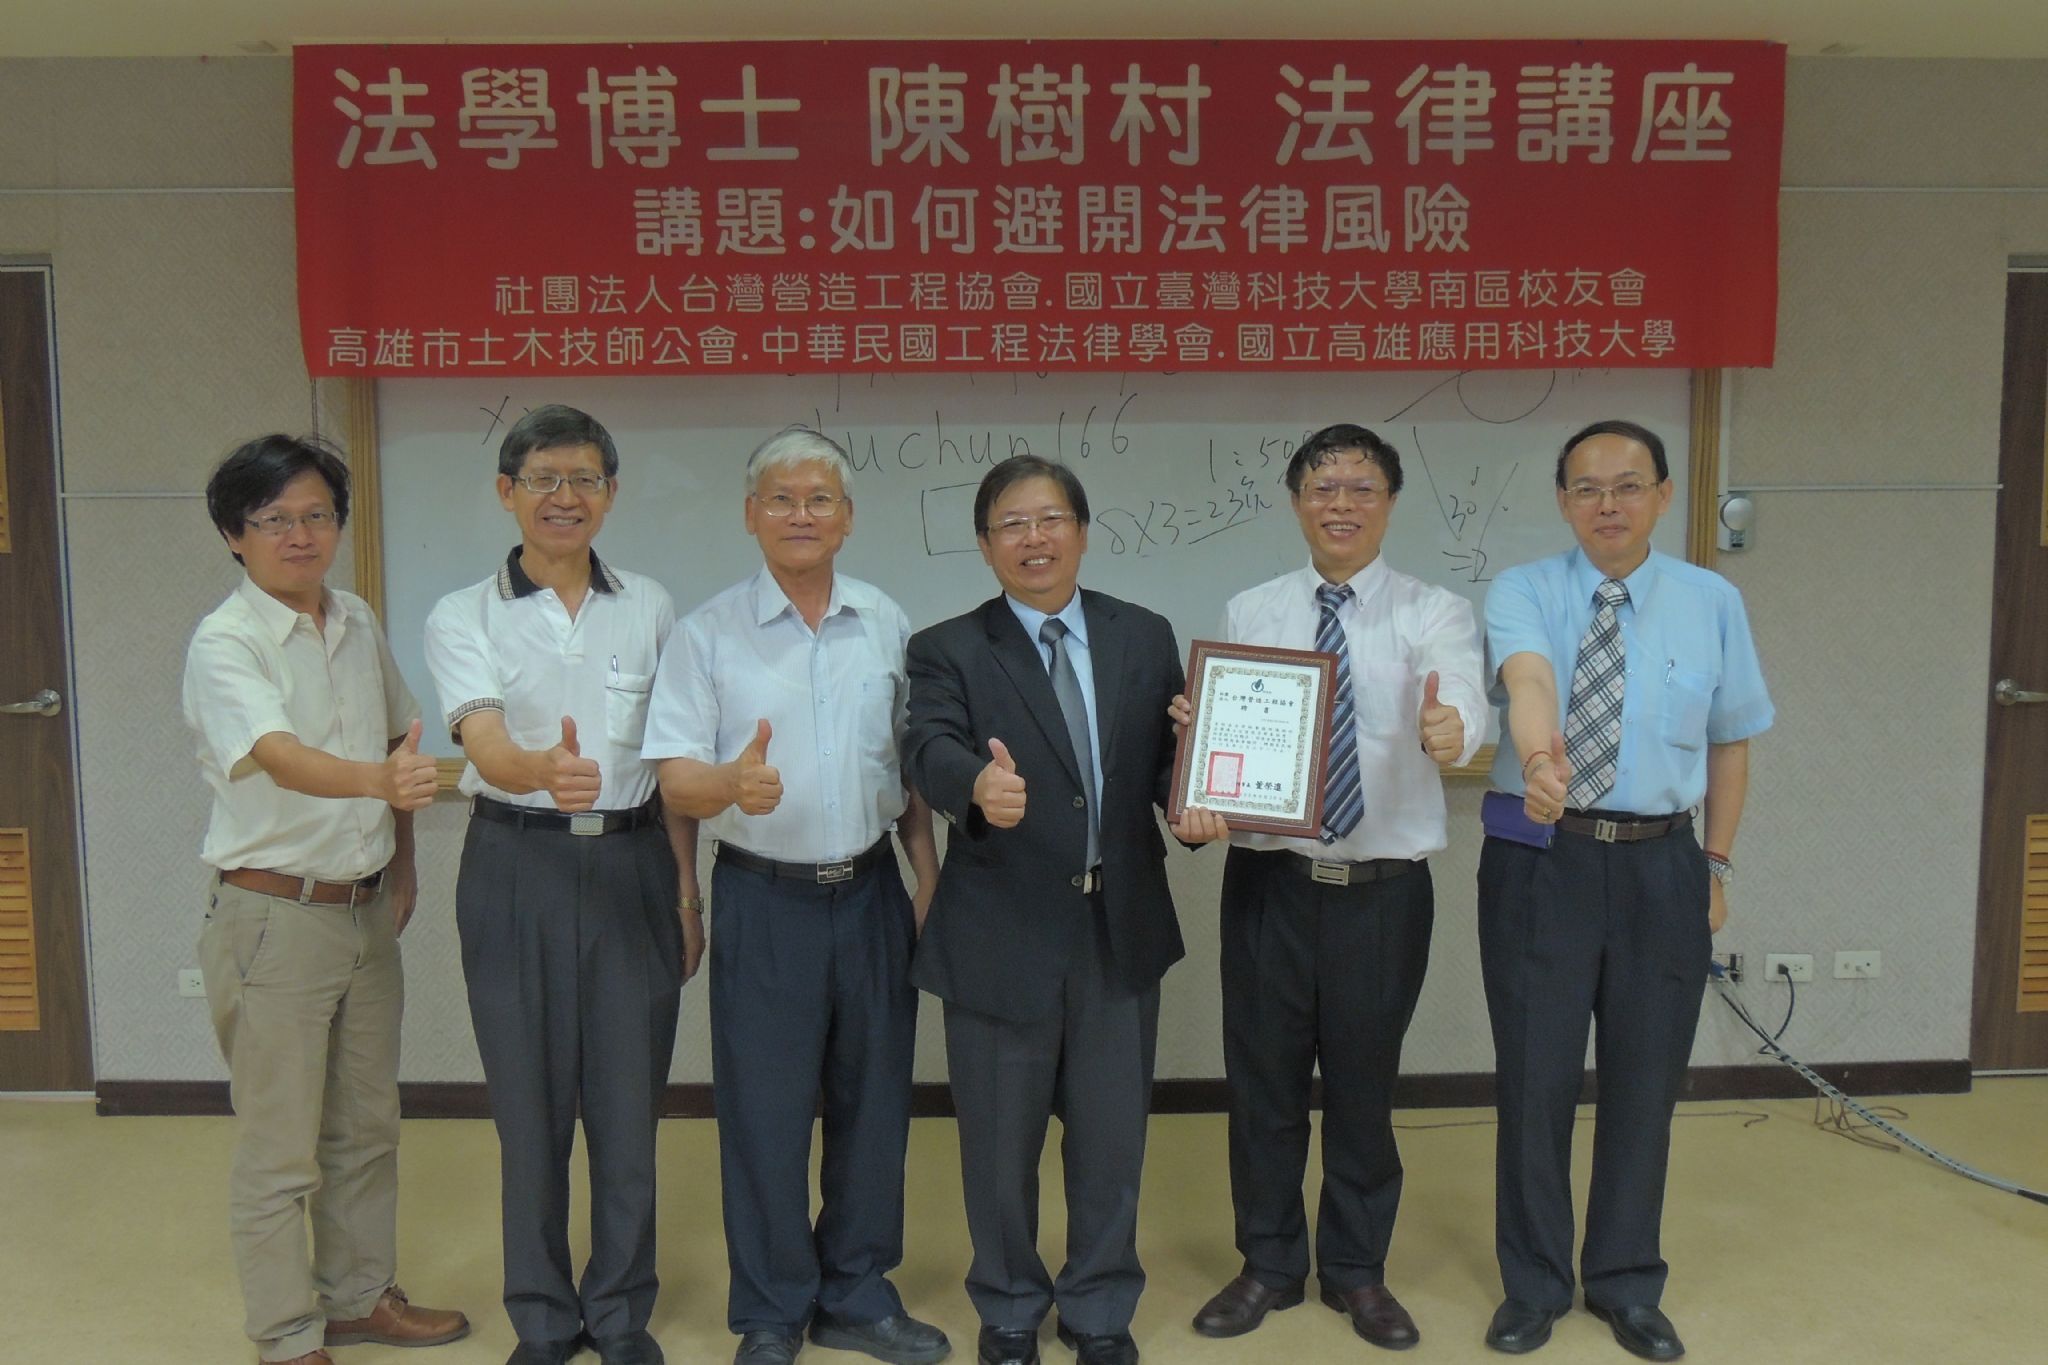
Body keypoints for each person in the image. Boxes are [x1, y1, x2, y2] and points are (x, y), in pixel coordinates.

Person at [903, 455, 1226, 1365]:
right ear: (985, 544)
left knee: (1111, 1141)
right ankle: (1009, 1307)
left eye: (1050, 519)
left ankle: (1099, 1308)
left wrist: (1192, 803)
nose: (1034, 538)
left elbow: (1162, 763)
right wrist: (976, 784)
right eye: (1012, 523)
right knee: (998, 1144)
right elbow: (927, 745)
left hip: (1116, 929)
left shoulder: (1143, 633)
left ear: (1082, 532)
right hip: (999, 933)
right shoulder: (947, 647)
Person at [1174, 423, 1485, 1351]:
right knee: (1262, 1083)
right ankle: (1269, 1264)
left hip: (1383, 892)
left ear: (1389, 502)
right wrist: (1200, 744)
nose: (1340, 503)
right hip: (1269, 882)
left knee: (1362, 1086)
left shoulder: (1435, 611)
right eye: (1322, 487)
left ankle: (1356, 1269)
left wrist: (1454, 730)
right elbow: (1227, 736)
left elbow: (1464, 705)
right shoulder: (1253, 609)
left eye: (1360, 487)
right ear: (1296, 502)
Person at [642, 428, 949, 1365]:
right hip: (763, 899)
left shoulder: (885, 622)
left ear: (847, 517)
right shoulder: (705, 635)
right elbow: (675, 781)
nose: (801, 514)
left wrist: (928, 876)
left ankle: (856, 1291)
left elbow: (909, 769)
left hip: (871, 892)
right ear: (751, 515)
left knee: (875, 1103)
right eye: (782, 498)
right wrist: (729, 787)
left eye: (820, 499)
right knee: (764, 1112)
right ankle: (772, 1307)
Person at [1478, 420, 1772, 1361]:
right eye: (1588, 488)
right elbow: (1528, 678)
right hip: (1542, 854)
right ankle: (1533, 1284)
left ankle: (1626, 1280)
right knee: (1536, 1080)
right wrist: (1539, 758)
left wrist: (1716, 865)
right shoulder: (1524, 588)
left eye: (1628, 485)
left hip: (1662, 862)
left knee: (1646, 1081)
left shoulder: (1712, 600)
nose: (1608, 504)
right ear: (1563, 500)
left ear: (1664, 495)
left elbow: (1731, 739)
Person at [183, 434, 469, 1365]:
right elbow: (278, 755)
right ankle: (286, 1333)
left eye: (316, 515)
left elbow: (397, 740)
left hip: (363, 906)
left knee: (367, 1124)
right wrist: (378, 787)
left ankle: (357, 1296)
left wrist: (404, 860)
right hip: (272, 916)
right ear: (235, 535)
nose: (299, 535)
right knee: (280, 1145)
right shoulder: (225, 641)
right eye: (274, 519)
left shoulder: (356, 619)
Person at [423, 405, 695, 1365]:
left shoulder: (650, 605)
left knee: (628, 1107)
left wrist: (686, 892)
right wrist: (539, 769)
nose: (564, 497)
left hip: (632, 862)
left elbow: (670, 762)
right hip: (516, 863)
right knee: (529, 1109)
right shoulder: (462, 612)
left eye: (584, 479)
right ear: (508, 492)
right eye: (543, 479)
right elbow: (484, 739)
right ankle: (542, 1315)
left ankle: (619, 1312)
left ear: (610, 495)